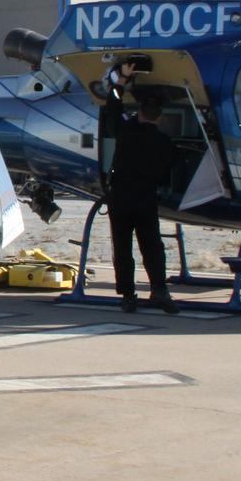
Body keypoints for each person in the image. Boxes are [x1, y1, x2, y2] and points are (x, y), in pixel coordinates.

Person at [103, 86, 179, 313]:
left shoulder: (126, 132)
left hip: (120, 198)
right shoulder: (165, 143)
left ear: (141, 112)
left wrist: (118, 85)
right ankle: (159, 289)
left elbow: (112, 113)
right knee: (152, 246)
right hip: (146, 200)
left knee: (122, 247)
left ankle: (127, 295)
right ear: (160, 117)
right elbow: (168, 176)